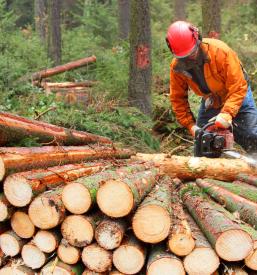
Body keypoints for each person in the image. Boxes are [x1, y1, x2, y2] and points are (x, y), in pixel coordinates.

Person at [166, 20, 257, 154]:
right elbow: (178, 99)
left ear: (198, 40)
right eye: (184, 56)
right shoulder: (177, 67)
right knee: (203, 142)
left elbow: (238, 86)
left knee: (251, 135)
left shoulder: (220, 52)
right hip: (211, 100)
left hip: (237, 94)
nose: (189, 58)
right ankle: (206, 171)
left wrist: (226, 114)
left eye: (192, 53)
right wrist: (191, 126)